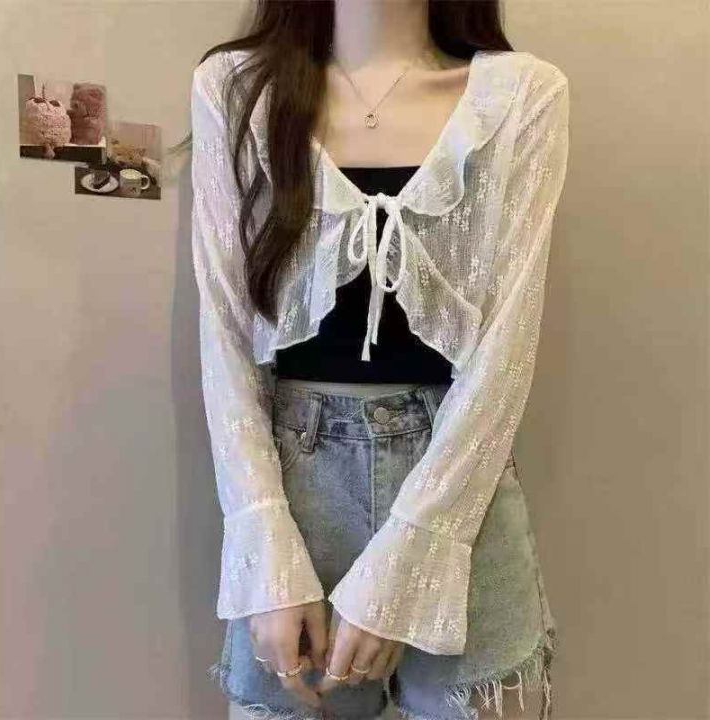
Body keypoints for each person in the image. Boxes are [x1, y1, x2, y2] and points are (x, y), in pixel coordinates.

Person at [184, 1, 570, 718]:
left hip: (459, 488)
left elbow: (505, 349)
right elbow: (226, 337)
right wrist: (264, 549)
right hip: (292, 490)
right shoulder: (237, 90)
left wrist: (412, 555)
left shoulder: (522, 94)